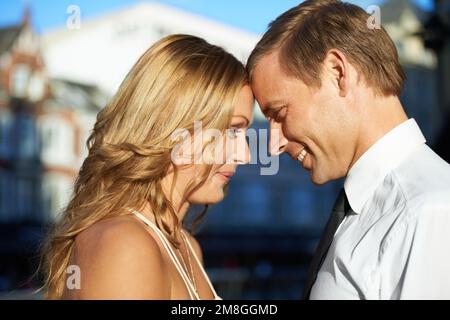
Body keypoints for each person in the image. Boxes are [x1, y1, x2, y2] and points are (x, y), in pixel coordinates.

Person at [247, 0, 450, 299]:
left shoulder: (428, 212)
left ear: (337, 73)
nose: (273, 143)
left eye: (279, 113)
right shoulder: (397, 209)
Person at [39, 34, 253, 299]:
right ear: (175, 129)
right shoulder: (125, 244)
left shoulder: (186, 246)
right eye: (232, 131)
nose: (244, 154)